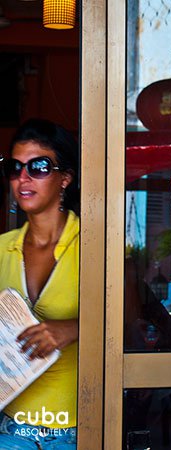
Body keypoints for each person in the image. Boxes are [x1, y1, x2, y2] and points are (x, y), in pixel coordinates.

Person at [0, 118, 79, 449]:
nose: (23, 178)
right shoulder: (2, 248)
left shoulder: (96, 246)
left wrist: (73, 329)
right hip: (11, 431)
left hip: (77, 430)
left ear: (65, 178)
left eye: (39, 166)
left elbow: (133, 329)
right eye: (15, 168)